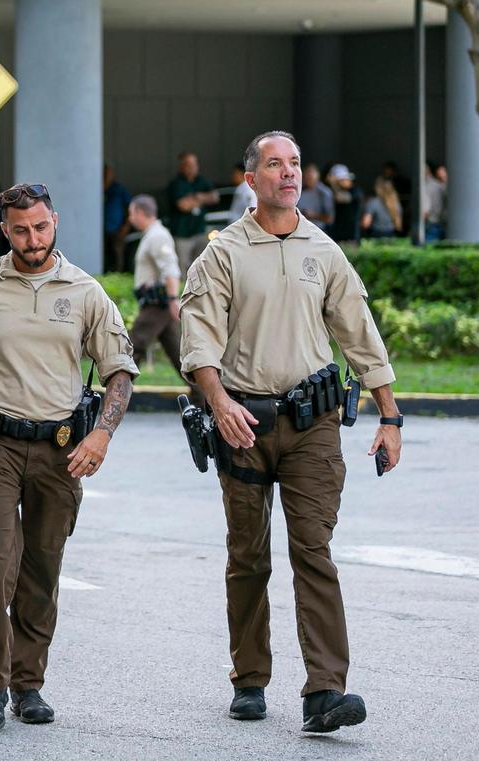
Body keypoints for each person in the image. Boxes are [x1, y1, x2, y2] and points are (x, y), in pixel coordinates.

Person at [180, 130, 403, 734]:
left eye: (295, 164)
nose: (288, 173)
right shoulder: (223, 253)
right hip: (243, 423)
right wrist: (219, 400)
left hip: (313, 428)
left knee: (315, 551)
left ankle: (325, 690)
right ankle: (249, 678)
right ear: (250, 179)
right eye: (274, 164)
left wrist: (389, 415)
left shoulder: (324, 250)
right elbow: (197, 336)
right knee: (248, 556)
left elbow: (360, 334)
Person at [0, 181, 139, 732]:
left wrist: (102, 436)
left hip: (61, 451)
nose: (32, 238)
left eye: (41, 227)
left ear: (55, 223)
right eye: (20, 229)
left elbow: (119, 371)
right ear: (4, 230)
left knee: (42, 568)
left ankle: (29, 684)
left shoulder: (86, 292)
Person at [126, 194, 198, 402]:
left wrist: (173, 299)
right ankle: (205, 398)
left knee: (131, 349)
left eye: (132, 213)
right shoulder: (152, 235)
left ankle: (117, 394)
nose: (130, 218)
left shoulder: (157, 236)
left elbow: (171, 270)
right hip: (158, 305)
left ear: (141, 213)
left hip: (157, 305)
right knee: (179, 356)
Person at [166, 151, 219, 272]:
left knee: (202, 266)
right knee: (182, 267)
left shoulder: (201, 181)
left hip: (200, 230)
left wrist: (197, 197)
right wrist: (203, 199)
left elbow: (215, 197)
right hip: (182, 233)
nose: (193, 167)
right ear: (182, 166)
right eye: (189, 164)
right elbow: (183, 206)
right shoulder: (176, 183)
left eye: (195, 164)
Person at [102, 164, 133, 272]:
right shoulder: (95, 186)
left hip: (116, 229)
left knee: (117, 255)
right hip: (98, 232)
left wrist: (126, 226)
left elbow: (131, 207)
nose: (106, 176)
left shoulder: (118, 189)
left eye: (108, 173)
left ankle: (118, 278)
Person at [325, 164, 363, 245]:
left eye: (341, 180)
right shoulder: (337, 191)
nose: (341, 183)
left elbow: (341, 198)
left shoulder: (356, 191)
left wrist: (333, 184)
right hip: (338, 236)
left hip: (351, 237)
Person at [297, 163, 335, 231]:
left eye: (310, 178)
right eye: (306, 177)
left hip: (320, 231)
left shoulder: (324, 193)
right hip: (301, 230)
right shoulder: (299, 191)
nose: (308, 179)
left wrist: (313, 215)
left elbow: (330, 218)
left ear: (317, 176)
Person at [422, 162, 447, 242]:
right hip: (442, 224)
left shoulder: (427, 187)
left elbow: (425, 211)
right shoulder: (439, 185)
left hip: (431, 224)